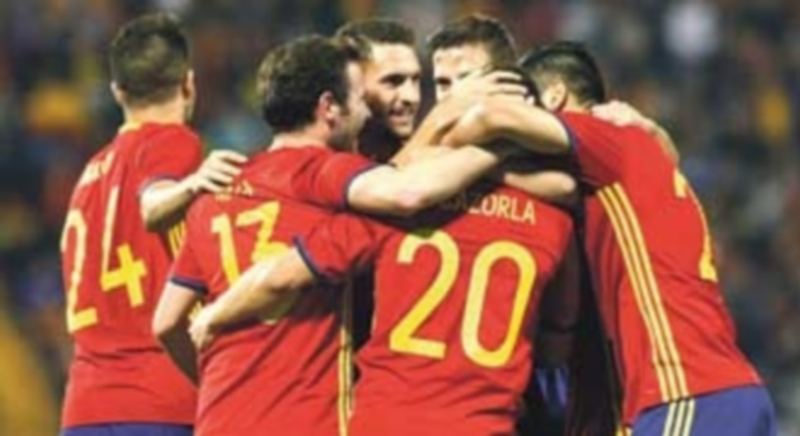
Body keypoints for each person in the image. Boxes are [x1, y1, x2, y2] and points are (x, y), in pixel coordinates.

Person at [153, 35, 524, 436]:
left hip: (219, 419)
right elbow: (407, 189)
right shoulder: (322, 173)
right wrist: (500, 143)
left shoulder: (215, 195)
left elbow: (166, 323)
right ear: (329, 107)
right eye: (361, 100)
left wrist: (213, 382)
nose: (368, 113)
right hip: (305, 421)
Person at [443, 40, 776, 436]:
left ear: (553, 97)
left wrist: (458, 110)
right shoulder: (637, 162)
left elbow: (487, 119)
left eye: (524, 99)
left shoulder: (604, 137)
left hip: (685, 392)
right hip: (725, 393)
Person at [59, 12, 246, 436]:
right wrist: (193, 185)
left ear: (116, 91)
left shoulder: (89, 174)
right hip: (159, 403)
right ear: (188, 83)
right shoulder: (174, 142)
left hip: (84, 410)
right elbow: (154, 200)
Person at [336, 18, 421, 162]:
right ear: (353, 82)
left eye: (415, 79)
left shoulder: (436, 165)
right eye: (392, 81)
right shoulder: (321, 166)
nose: (412, 97)